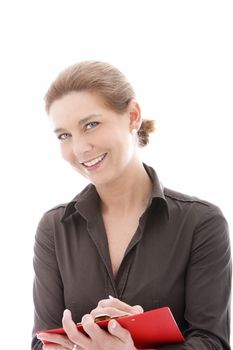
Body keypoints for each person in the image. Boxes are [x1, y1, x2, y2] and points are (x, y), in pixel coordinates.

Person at [32, 61, 231, 350]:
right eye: (64, 135)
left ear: (132, 116)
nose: (79, 148)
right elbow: (41, 342)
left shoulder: (201, 223)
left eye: (91, 124)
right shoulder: (54, 228)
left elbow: (213, 343)